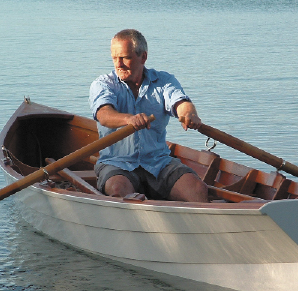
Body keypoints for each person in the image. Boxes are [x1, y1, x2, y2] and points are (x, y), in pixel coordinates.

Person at [89, 29, 209, 202]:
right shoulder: (103, 84)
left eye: (125, 58)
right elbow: (104, 115)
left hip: (158, 163)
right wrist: (129, 119)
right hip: (117, 163)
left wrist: (189, 115)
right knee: (119, 191)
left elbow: (181, 103)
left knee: (198, 189)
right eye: (115, 58)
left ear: (143, 57)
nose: (118, 64)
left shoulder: (164, 81)